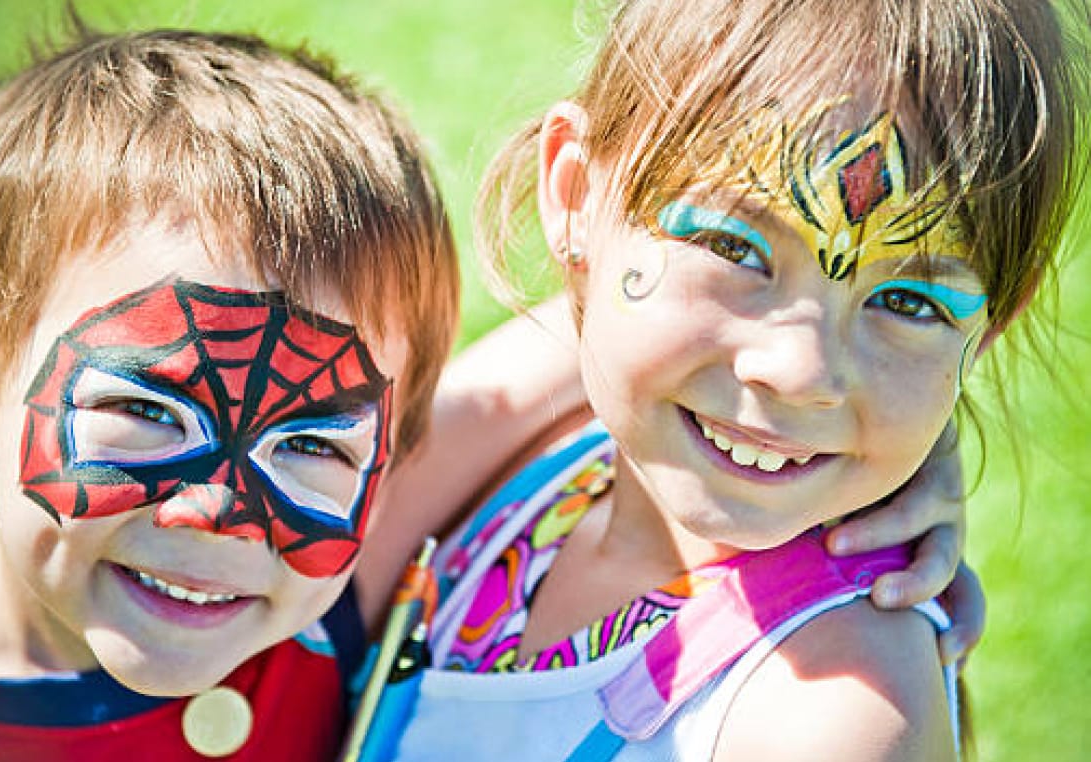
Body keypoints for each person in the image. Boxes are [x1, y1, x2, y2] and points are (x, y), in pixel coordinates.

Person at [0, 14, 977, 762]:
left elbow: (612, 357)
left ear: (390, 452)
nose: (217, 511)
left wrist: (879, 412)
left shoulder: (316, 578)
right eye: (145, 410)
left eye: (310, 442)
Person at [383, 0, 1088, 759]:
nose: (800, 370)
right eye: (733, 245)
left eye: (910, 301)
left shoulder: (832, 717)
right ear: (576, 196)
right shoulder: (534, 451)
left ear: (985, 334)